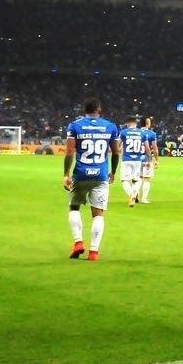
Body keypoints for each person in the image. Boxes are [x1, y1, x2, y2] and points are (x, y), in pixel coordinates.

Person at [62, 98, 120, 262]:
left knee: (74, 208)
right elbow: (115, 153)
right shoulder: (110, 126)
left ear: (84, 109)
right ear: (99, 109)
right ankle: (93, 251)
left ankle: (78, 242)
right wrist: (113, 172)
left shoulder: (75, 125)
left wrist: (66, 174)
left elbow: (69, 151)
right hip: (100, 176)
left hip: (81, 174)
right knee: (98, 214)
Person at [118, 115, 147, 207]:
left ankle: (131, 195)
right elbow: (147, 148)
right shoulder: (142, 133)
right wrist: (149, 159)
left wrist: (118, 150)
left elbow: (117, 145)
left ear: (128, 123)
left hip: (126, 159)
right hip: (138, 160)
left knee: (124, 180)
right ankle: (134, 194)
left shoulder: (123, 132)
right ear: (136, 123)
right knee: (137, 179)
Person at [139, 115, 159, 204]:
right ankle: (144, 198)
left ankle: (134, 194)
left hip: (137, 159)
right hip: (147, 159)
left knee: (138, 178)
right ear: (148, 123)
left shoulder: (136, 132)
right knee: (146, 179)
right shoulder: (152, 133)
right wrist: (156, 160)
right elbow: (155, 148)